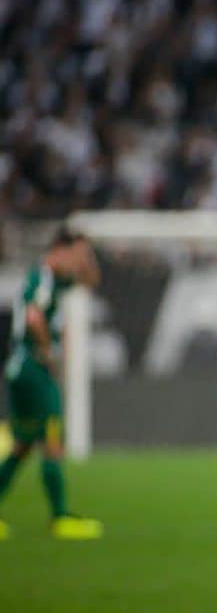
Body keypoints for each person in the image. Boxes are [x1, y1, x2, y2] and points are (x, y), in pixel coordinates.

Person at [0, 229, 104, 541]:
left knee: (22, 444)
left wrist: (85, 257)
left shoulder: (55, 279)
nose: (79, 262)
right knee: (52, 439)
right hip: (34, 368)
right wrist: (48, 352)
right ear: (58, 251)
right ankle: (60, 516)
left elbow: (91, 281)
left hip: (20, 369)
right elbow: (33, 318)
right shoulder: (43, 278)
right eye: (75, 255)